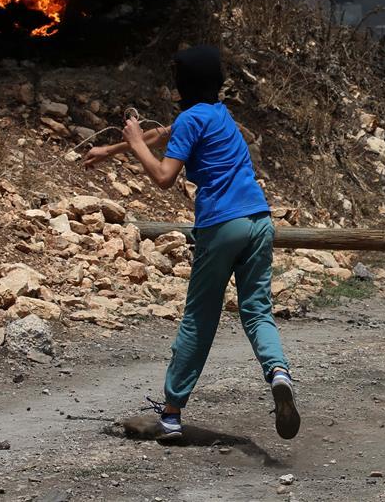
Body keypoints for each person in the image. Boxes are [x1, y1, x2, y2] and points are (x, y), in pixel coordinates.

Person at [82, 46, 300, 440]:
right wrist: (113, 149)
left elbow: (165, 176)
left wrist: (133, 144)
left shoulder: (190, 118)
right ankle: (279, 373)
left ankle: (170, 414)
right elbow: (161, 134)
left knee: (200, 318)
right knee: (256, 311)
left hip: (222, 225)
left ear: (181, 83)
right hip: (259, 220)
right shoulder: (218, 114)